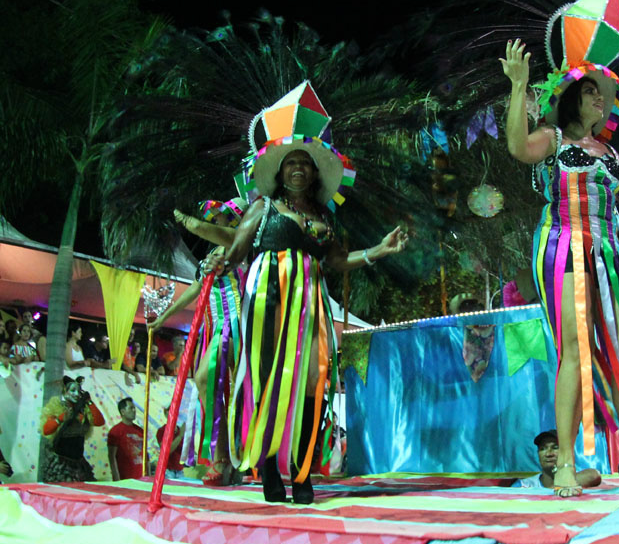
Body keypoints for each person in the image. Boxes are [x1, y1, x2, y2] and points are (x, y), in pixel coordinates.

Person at [211, 83, 408, 504]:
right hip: (267, 297)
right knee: (264, 379)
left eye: (305, 163)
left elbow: (336, 260)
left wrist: (378, 251)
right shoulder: (263, 207)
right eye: (290, 163)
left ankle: (302, 472)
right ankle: (268, 471)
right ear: (279, 171)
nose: (298, 169)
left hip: (309, 303)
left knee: (310, 381)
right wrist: (218, 263)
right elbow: (238, 249)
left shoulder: (322, 215)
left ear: (315, 172)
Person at [502, 30, 619, 496]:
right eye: (591, 90)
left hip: (611, 256)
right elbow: (517, 147)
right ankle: (566, 464)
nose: (601, 98)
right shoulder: (552, 139)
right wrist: (518, 86)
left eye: (604, 92)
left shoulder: (612, 154)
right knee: (574, 352)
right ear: (574, 98)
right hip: (563, 251)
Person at [151, 198, 246, 485]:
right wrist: (163, 317)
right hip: (216, 327)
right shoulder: (216, 251)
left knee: (242, 391)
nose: (216, 220)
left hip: (238, 323)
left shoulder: (240, 245)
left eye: (222, 216)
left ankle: (239, 455)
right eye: (215, 217)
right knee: (208, 382)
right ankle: (224, 457)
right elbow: (194, 290)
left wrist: (180, 216)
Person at [40, 376, 105, 482]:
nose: (76, 394)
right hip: (62, 463)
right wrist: (61, 418)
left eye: (78, 391)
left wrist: (89, 402)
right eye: (73, 390)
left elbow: (99, 422)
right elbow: (46, 430)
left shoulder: (83, 408)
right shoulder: (57, 406)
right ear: (65, 391)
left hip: (79, 462)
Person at [515, 430, 602, 490]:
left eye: (555, 447)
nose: (549, 453)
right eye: (543, 449)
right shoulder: (525, 485)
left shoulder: (575, 478)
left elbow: (594, 476)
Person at [107, 398, 146, 480]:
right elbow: (112, 456)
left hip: (141, 478)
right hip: (125, 478)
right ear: (123, 412)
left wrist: (148, 475)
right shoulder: (115, 431)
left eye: (134, 408)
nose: (134, 410)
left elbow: (146, 455)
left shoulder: (140, 431)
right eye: (131, 408)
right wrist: (116, 477)